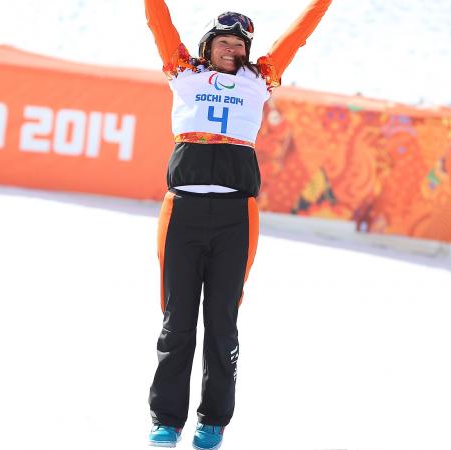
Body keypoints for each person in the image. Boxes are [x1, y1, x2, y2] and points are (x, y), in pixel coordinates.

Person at [144, 1, 333, 448]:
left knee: (223, 323)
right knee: (177, 321)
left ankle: (212, 422)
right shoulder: (182, 71)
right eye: (225, 42)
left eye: (240, 45)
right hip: (182, 213)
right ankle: (166, 422)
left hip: (235, 217)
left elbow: (297, 36)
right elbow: (158, 20)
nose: (233, 50)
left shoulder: (259, 79)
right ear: (207, 46)